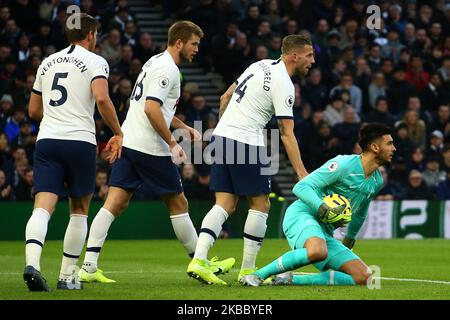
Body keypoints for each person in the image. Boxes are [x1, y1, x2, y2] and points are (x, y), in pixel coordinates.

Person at [77, 20, 234, 284]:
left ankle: (89, 266)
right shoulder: (168, 70)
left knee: (115, 202)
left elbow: (151, 106)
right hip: (150, 147)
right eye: (194, 44)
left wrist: (182, 126)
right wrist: (172, 144)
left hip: (130, 140)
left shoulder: (154, 62)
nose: (197, 49)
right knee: (178, 203)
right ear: (180, 42)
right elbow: (151, 109)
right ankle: (200, 261)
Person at [187, 34, 314, 285]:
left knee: (224, 204)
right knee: (261, 204)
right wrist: (301, 172)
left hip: (222, 136)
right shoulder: (285, 84)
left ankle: (199, 260)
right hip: (246, 140)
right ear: (294, 56)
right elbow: (287, 134)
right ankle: (248, 270)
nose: (313, 60)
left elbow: (225, 97)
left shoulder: (259, 65)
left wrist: (225, 128)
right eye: (309, 55)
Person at [23, 13, 123, 292]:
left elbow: (33, 111)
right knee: (79, 211)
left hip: (48, 140)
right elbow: (102, 98)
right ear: (91, 35)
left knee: (43, 207)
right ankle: (67, 276)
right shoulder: (96, 61)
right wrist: (118, 132)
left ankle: (33, 264)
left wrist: (57, 116)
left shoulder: (46, 62)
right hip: (79, 141)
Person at [240, 123, 396, 287]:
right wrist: (322, 207)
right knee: (318, 251)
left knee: (365, 277)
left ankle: (290, 279)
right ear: (374, 147)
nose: (394, 149)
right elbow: (301, 187)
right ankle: (257, 275)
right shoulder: (343, 165)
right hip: (302, 215)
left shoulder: (377, 180)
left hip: (325, 232)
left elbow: (361, 213)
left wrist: (349, 239)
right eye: (390, 143)